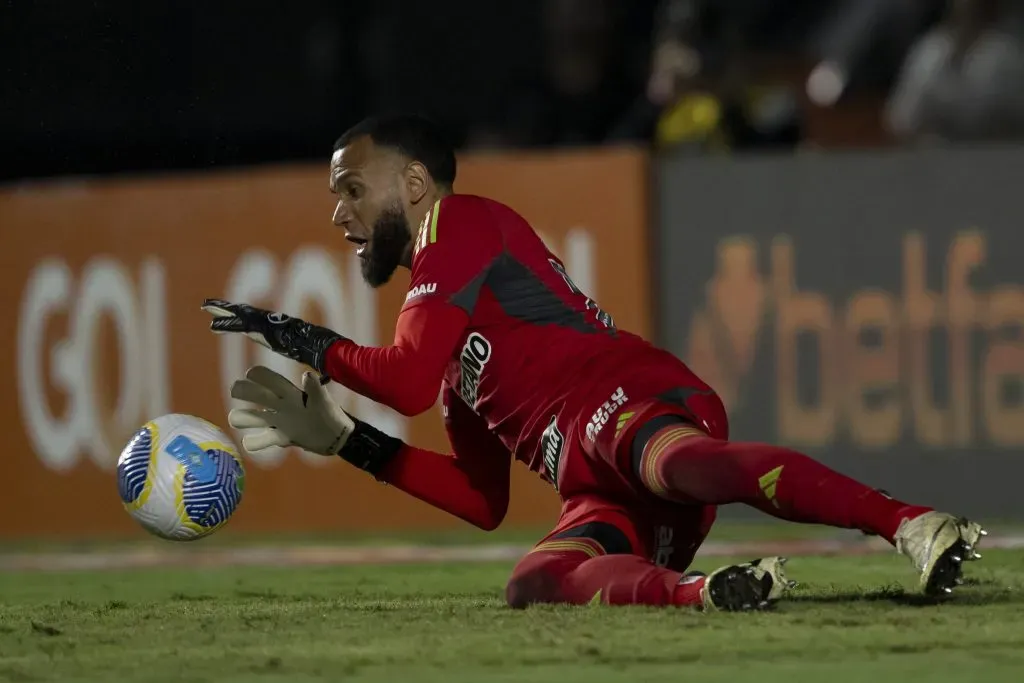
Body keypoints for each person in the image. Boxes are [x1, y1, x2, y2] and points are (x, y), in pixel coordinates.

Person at [202, 114, 985, 611]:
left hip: (628, 402)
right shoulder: (458, 362)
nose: (336, 211)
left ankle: (910, 522)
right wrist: (348, 443)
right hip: (601, 481)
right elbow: (482, 500)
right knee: (531, 582)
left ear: (411, 185)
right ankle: (702, 593)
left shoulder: (460, 220)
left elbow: (401, 378)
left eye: (349, 187)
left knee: (676, 465)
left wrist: (297, 336)